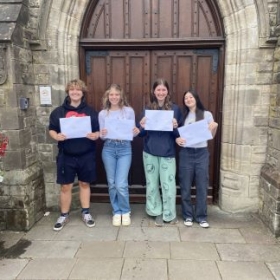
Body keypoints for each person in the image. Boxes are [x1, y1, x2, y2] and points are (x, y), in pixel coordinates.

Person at [49, 79, 99, 231]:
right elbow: (52, 129)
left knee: (84, 183)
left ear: (82, 92)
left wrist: (95, 135)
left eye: (78, 90)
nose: (75, 92)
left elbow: (97, 131)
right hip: (66, 154)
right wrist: (56, 136)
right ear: (68, 92)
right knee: (66, 186)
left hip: (86, 154)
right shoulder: (58, 112)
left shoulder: (90, 111)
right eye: (72, 90)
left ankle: (86, 213)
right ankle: (64, 215)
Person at [137, 78, 182, 226]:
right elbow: (142, 135)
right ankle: (155, 211)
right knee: (152, 184)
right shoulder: (148, 109)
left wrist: (175, 126)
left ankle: (169, 214)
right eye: (158, 90)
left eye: (163, 89)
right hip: (150, 152)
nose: (161, 92)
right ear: (154, 91)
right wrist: (141, 126)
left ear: (167, 91)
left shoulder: (175, 109)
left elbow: (177, 135)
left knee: (168, 185)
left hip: (168, 152)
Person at [176, 89, 218, 228]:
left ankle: (201, 217)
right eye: (186, 98)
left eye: (190, 97)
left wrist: (214, 127)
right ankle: (188, 215)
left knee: (201, 185)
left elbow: (211, 135)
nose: (188, 99)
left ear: (196, 98)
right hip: (186, 153)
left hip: (201, 153)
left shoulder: (206, 114)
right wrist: (178, 140)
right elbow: (178, 135)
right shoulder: (183, 115)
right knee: (185, 186)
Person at [98, 84, 138, 226]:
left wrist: (135, 131)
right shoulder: (103, 114)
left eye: (116, 94)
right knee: (112, 183)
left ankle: (125, 210)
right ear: (107, 97)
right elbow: (102, 136)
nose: (114, 97)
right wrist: (102, 134)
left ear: (121, 96)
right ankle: (116, 211)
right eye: (111, 94)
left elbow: (131, 132)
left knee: (121, 183)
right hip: (108, 148)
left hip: (124, 149)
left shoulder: (128, 111)